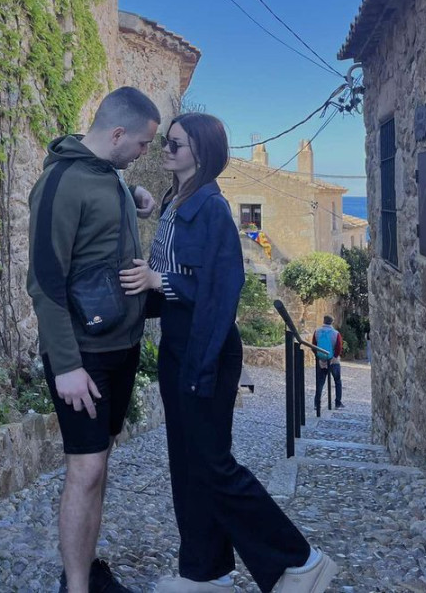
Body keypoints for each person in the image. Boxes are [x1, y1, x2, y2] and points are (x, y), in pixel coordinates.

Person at [120, 113, 338, 593]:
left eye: (175, 144)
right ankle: (205, 573)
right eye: (165, 143)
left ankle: (301, 560)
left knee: (212, 464)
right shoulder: (176, 202)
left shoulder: (213, 209)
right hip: (179, 344)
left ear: (201, 152)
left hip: (207, 348)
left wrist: (160, 282)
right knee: (187, 464)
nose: (165, 150)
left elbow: (221, 288)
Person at [27, 86, 160, 593]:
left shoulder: (111, 175)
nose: (145, 153)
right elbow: (44, 280)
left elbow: (102, 218)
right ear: (118, 133)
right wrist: (66, 365)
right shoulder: (60, 181)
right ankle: (76, 588)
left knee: (99, 462)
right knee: (84, 469)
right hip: (82, 356)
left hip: (120, 349)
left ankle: (83, 569)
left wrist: (136, 197)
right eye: (143, 144)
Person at [313, 316, 344, 410]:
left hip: (321, 360)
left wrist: (319, 356)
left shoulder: (317, 332)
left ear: (323, 321)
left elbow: (313, 345)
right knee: (337, 381)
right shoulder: (336, 333)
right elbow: (339, 347)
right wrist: (334, 357)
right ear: (332, 322)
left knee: (320, 382)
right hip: (334, 361)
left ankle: (317, 404)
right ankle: (338, 403)